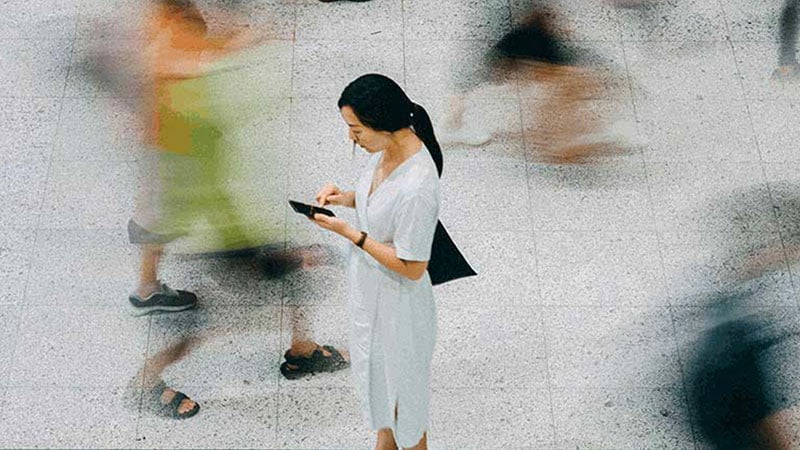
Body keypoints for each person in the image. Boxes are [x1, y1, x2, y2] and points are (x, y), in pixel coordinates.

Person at [308, 74, 440, 450]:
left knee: (405, 413)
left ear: (382, 122)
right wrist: (345, 198)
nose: (352, 137)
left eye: (356, 129)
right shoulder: (388, 151)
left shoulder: (418, 186)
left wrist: (351, 234)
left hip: (400, 310)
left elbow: (413, 267)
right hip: (373, 293)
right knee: (382, 402)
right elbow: (382, 202)